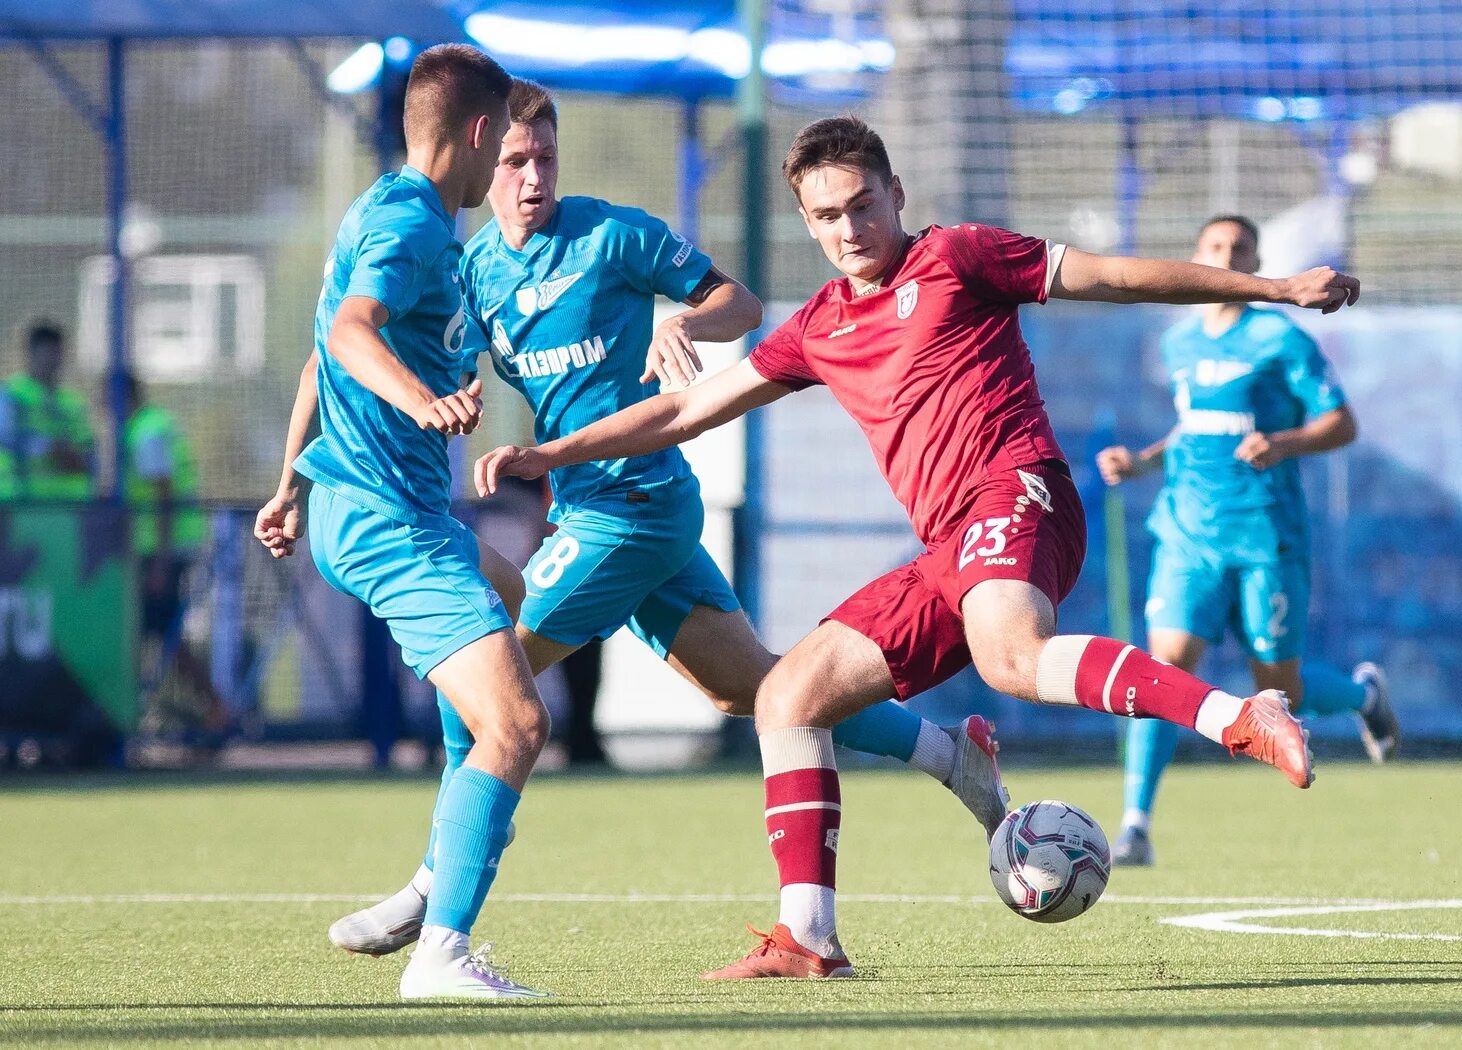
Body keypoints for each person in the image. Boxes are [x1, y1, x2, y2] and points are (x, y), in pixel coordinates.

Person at [474, 115, 1364, 980]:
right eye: (827, 216)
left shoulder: (959, 255)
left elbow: (1113, 277)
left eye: (863, 205)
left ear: (896, 194)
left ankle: (1242, 717)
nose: (849, 229)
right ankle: (807, 937)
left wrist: (1274, 290)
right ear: (807, 222)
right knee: (788, 694)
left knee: (1010, 656)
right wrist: (552, 453)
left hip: (1021, 491)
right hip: (949, 549)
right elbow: (679, 409)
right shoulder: (819, 325)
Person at [322, 81, 1011, 961]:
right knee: (761, 692)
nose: (534, 178)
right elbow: (428, 347)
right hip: (585, 506)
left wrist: (680, 321)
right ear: (482, 160)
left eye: (547, 159)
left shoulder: (614, 235)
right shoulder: (473, 270)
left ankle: (433, 892)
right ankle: (951, 755)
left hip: (637, 508)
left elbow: (744, 304)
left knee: (494, 679)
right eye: (516, 163)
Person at [253, 43, 548, 1000]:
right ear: (474, 133)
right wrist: (423, 401)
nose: (509, 155)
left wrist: (290, 485)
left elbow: (316, 360)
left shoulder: (380, 210)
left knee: (523, 621)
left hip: (366, 503)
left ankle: (429, 886)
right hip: (388, 517)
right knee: (515, 720)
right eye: (503, 138)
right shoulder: (416, 225)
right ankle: (443, 954)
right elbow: (349, 334)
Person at [1094, 215, 1398, 867]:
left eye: (1240, 251)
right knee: (1165, 665)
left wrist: (1283, 443)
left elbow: (1342, 424)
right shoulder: (1177, 342)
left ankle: (1364, 697)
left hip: (1265, 536)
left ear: (1255, 264)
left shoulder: (1278, 337)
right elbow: (1192, 428)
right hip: (1187, 533)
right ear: (1197, 256)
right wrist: (1143, 462)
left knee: (1276, 686)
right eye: (1215, 248)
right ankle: (1136, 825)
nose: (1227, 257)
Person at [123, 375, 226, 732]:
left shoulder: (145, 432)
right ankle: (201, 709)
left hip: (159, 551)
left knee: (161, 630)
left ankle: (213, 710)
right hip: (157, 549)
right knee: (156, 631)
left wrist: (162, 562)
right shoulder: (150, 427)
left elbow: (164, 495)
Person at [2, 321, 97, 500]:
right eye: (47, 352)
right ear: (30, 353)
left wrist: (80, 459)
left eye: (57, 352)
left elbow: (89, 448)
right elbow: (6, 438)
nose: (53, 360)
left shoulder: (73, 401)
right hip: (23, 504)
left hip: (70, 504)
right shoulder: (12, 394)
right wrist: (48, 448)